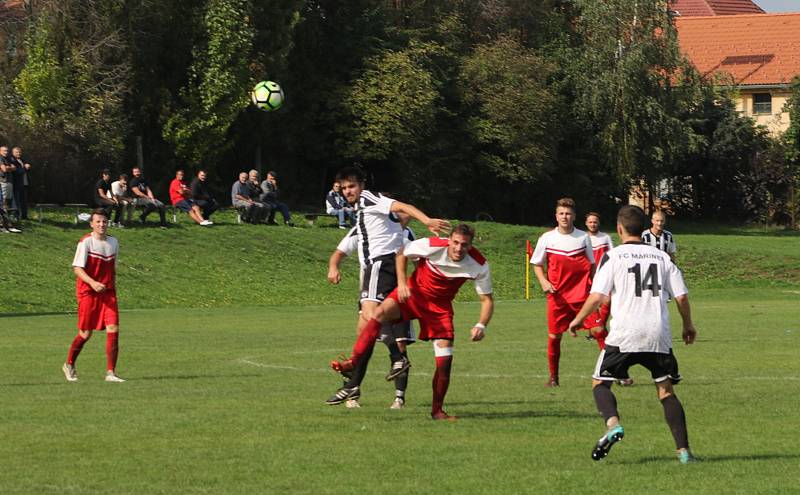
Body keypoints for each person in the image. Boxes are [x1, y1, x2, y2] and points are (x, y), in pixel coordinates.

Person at [567, 204, 698, 464]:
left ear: (619, 229)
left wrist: (577, 320)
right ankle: (683, 453)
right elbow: (681, 296)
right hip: (657, 333)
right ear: (644, 228)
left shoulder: (613, 256)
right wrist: (688, 325)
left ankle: (613, 424)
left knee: (600, 383)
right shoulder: (662, 257)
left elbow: (598, 297)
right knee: (665, 391)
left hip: (624, 334)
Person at [327, 224, 493, 421]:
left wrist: (481, 325)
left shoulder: (479, 264)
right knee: (377, 315)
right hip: (412, 294)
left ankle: (437, 411)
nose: (458, 248)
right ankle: (354, 363)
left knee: (445, 361)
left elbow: (487, 300)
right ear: (449, 240)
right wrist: (402, 283)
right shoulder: (431, 245)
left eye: (464, 245)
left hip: (439, 310)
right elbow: (401, 253)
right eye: (455, 243)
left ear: (471, 246)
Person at [326, 166, 450, 386]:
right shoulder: (365, 217)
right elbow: (340, 251)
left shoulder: (367, 197)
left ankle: (396, 358)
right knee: (365, 326)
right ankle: (354, 379)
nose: (348, 191)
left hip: (380, 265)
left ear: (362, 185)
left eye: (352, 186)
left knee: (371, 315)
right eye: (344, 188)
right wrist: (334, 267)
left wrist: (427, 220)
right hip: (378, 269)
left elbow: (404, 206)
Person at [329, 220, 417, 409]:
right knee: (365, 339)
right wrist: (333, 267)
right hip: (371, 289)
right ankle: (353, 391)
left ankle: (399, 398)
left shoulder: (408, 234)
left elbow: (419, 262)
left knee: (400, 342)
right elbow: (340, 251)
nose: (404, 218)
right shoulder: (363, 228)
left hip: (398, 295)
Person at [531, 197, 595, 387]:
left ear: (574, 216)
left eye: (568, 213)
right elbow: (536, 263)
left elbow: (592, 264)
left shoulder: (583, 237)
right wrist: (543, 281)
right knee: (554, 336)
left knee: (599, 330)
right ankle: (553, 377)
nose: (564, 216)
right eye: (561, 213)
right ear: (556, 216)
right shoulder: (547, 238)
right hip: (557, 297)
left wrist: (591, 285)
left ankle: (615, 373)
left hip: (581, 295)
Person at [62, 209, 125, 383]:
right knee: (85, 333)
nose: (101, 224)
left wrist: (108, 284)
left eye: (104, 221)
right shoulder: (86, 242)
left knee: (113, 329)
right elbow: (77, 269)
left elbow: (113, 268)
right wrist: (93, 283)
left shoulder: (114, 242)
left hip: (108, 293)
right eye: (98, 221)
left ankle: (111, 373)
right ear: (91, 224)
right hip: (88, 292)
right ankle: (69, 364)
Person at [581, 212, 614, 349]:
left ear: (598, 223)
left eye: (595, 222)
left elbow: (612, 254)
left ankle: (600, 327)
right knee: (591, 304)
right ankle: (594, 329)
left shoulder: (605, 237)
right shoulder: (582, 238)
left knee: (607, 300)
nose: (592, 224)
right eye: (590, 222)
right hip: (587, 278)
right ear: (586, 223)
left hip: (603, 276)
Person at [10, 146, 31, 220]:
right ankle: (16, 216)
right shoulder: (12, 161)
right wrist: (25, 168)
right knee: (17, 201)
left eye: (19, 152)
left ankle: (24, 216)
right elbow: (17, 172)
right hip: (17, 184)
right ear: (13, 153)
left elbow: (26, 171)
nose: (18, 153)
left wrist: (27, 168)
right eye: (16, 152)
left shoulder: (22, 160)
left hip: (24, 183)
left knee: (24, 201)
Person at [0, 145, 15, 211]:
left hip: (9, 181)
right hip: (3, 181)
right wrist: (10, 168)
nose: (6, 152)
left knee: (8, 199)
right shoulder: (0, 158)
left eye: (7, 151)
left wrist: (8, 167)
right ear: (0, 151)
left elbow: (15, 168)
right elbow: (4, 169)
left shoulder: (9, 158)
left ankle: (6, 216)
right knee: (3, 198)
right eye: (4, 151)